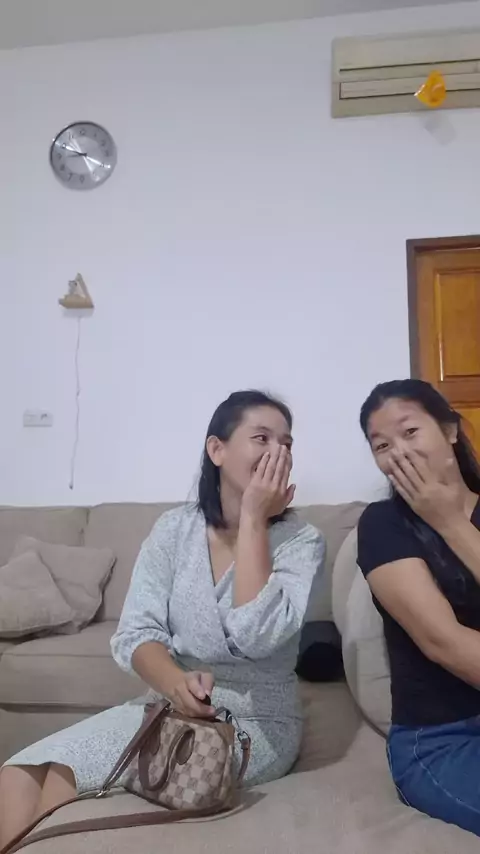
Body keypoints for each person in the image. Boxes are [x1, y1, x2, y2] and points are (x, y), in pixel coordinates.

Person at [0, 390, 324, 849]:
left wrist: (254, 519)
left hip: (255, 722)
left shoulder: (301, 542)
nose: (278, 453)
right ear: (217, 450)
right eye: (262, 438)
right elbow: (136, 632)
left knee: (61, 784)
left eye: (286, 443)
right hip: (167, 705)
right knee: (19, 771)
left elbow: (255, 636)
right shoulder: (175, 529)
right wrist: (174, 684)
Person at [357, 378, 480, 837]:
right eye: (382, 445)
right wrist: (442, 521)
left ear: (449, 429)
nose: (399, 453)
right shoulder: (383, 524)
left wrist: (451, 522)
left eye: (410, 432)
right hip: (443, 740)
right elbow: (442, 642)